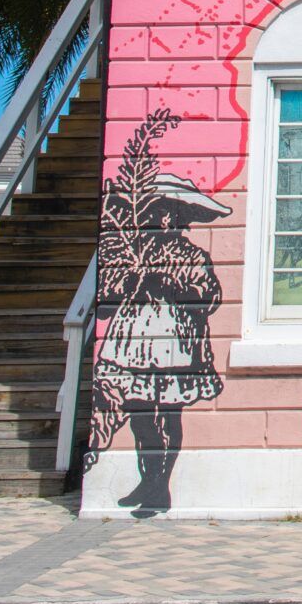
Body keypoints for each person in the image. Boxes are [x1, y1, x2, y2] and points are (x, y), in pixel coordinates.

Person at [93, 167, 225, 516]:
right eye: (156, 211)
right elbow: (109, 296)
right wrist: (131, 282)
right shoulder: (135, 254)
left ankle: (161, 484)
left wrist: (172, 285)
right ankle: (148, 477)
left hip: (174, 346)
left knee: (168, 414)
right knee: (139, 413)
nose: (162, 218)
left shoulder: (192, 256)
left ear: (180, 217)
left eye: (169, 212)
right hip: (133, 344)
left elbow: (209, 297)